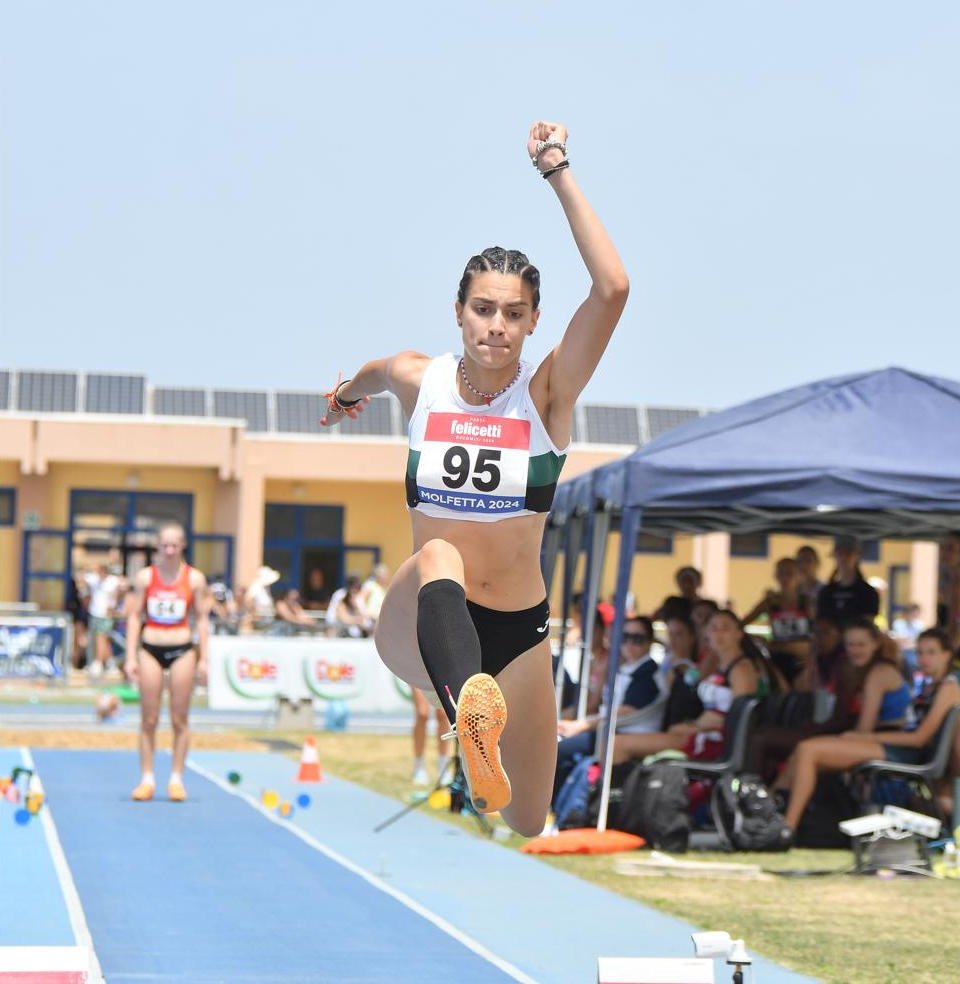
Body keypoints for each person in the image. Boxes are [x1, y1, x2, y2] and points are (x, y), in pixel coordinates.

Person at [319, 121, 629, 835]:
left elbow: (612, 289)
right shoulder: (418, 379)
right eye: (483, 310)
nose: (496, 325)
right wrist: (344, 399)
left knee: (523, 818)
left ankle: (479, 730)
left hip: (519, 630)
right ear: (459, 313)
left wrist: (558, 170)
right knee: (438, 554)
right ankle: (467, 713)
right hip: (423, 619)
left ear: (532, 323)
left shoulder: (548, 394)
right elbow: (372, 370)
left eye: (513, 315)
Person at [780, 627, 959, 833]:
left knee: (808, 749)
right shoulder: (928, 686)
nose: (924, 658)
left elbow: (920, 738)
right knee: (803, 753)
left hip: (912, 754)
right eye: (919, 652)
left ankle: (787, 828)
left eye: (931, 652)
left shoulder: (949, 687)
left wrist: (865, 736)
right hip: (901, 745)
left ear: (947, 654)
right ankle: (773, 811)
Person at [611, 609, 774, 765]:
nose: (718, 634)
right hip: (699, 731)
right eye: (713, 629)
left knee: (617, 745)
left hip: (714, 741)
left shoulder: (742, 669)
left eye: (725, 628)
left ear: (739, 633)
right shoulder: (718, 665)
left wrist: (694, 728)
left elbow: (740, 721)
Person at [124, 523, 209, 802]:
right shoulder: (146, 578)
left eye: (175, 545)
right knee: (148, 718)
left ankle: (176, 778)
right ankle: (147, 778)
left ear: (183, 545)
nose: (170, 551)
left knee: (178, 718)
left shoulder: (195, 579)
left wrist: (204, 659)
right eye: (165, 545)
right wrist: (129, 656)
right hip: (150, 648)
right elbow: (134, 616)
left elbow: (202, 619)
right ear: (157, 546)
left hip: (182, 649)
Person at [553, 616, 666, 803]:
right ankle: (562, 806)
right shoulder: (627, 668)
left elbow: (625, 712)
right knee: (560, 745)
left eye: (637, 638)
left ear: (649, 642)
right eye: (625, 637)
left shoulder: (647, 673)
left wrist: (583, 725)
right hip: (611, 728)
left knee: (560, 751)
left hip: (626, 733)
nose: (629, 643)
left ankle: (557, 807)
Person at [742, 557, 814, 687]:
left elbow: (820, 631)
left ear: (798, 575)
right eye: (781, 573)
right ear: (775, 575)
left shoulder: (807, 602)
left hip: (803, 660)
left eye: (789, 573)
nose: (785, 578)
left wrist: (814, 656)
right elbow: (739, 626)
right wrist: (759, 639)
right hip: (778, 659)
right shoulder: (770, 602)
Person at [816, 536, 879, 624]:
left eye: (848, 553)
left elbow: (867, 624)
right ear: (834, 555)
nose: (843, 558)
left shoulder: (868, 592)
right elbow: (822, 622)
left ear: (857, 556)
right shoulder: (826, 592)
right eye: (840, 553)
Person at [84, 563, 121, 677]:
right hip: (94, 613)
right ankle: (110, 663)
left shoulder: (113, 581)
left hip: (106, 615)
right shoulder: (94, 579)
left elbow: (116, 594)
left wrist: (112, 607)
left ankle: (98, 663)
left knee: (101, 637)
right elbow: (82, 577)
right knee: (102, 639)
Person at [411, 688, 453, 786]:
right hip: (419, 673)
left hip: (439, 672)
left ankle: (443, 767)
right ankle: (419, 767)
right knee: (422, 713)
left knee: (442, 715)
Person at [891, 602, 925, 682]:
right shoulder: (898, 623)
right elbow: (899, 640)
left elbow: (920, 642)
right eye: (914, 613)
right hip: (903, 652)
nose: (915, 616)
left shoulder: (919, 624)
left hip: (914, 652)